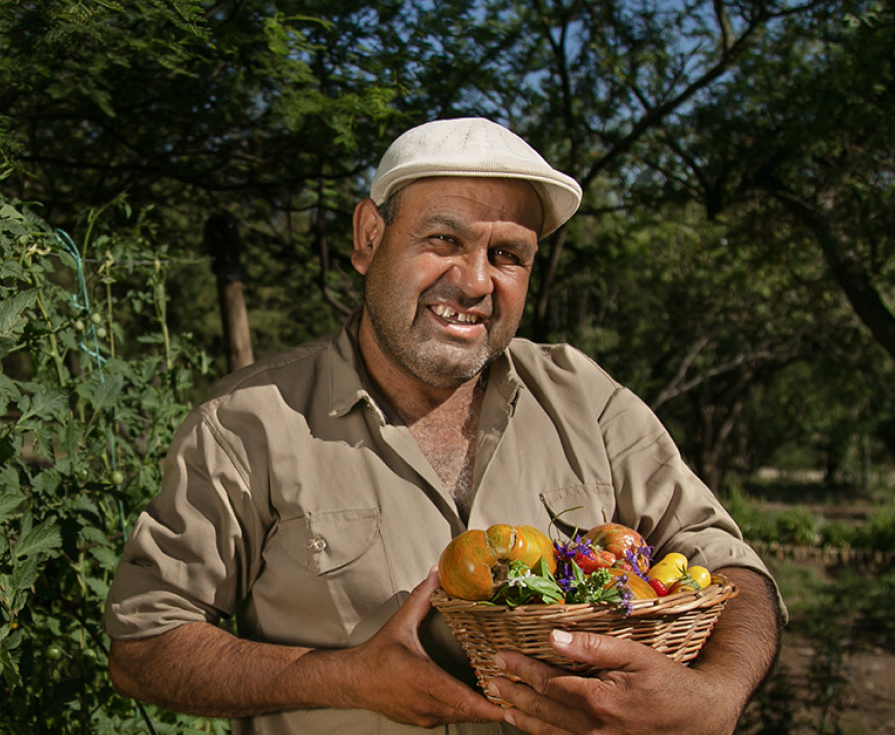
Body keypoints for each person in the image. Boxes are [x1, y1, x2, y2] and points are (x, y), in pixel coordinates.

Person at [104, 118, 783, 735]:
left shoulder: (585, 397)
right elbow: (144, 647)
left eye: (508, 254)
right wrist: (344, 677)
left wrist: (716, 695)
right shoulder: (246, 423)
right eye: (443, 239)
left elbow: (729, 565)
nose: (475, 280)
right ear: (369, 238)